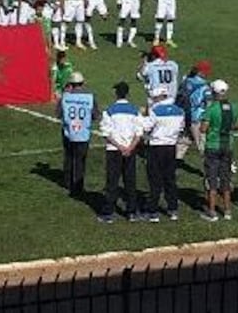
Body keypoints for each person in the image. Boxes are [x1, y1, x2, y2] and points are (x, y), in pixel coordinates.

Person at [99, 81, 142, 223]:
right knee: (130, 181)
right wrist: (129, 147)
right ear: (128, 94)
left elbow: (106, 133)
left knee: (112, 181)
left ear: (116, 93)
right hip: (130, 149)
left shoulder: (109, 111)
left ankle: (108, 213)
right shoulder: (135, 110)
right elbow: (139, 133)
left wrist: (119, 147)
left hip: (114, 150)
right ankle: (131, 212)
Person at [143, 86, 185, 222]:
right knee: (170, 179)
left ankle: (153, 211)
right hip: (171, 147)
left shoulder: (155, 110)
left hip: (156, 147)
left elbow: (147, 127)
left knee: (155, 179)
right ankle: (173, 209)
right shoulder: (179, 111)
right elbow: (181, 128)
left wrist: (142, 115)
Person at [201, 79, 238, 221]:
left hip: (213, 146)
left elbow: (203, 129)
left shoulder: (211, 109)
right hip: (228, 146)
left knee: (211, 180)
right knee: (226, 179)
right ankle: (227, 210)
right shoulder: (235, 107)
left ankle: (212, 212)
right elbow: (237, 125)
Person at [58, 72, 93, 199]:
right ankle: (78, 186)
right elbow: (95, 115)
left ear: (71, 84)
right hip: (83, 133)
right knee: (80, 161)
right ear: (82, 83)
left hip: (68, 132)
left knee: (68, 157)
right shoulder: (90, 97)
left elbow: (58, 113)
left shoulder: (65, 97)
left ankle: (67, 182)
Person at [178, 61, 213, 159]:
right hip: (197, 119)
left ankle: (176, 162)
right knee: (202, 145)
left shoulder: (185, 81)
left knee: (183, 142)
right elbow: (209, 104)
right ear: (202, 72)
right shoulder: (205, 87)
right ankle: (211, 169)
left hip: (183, 116)